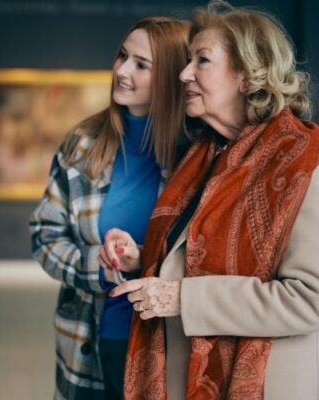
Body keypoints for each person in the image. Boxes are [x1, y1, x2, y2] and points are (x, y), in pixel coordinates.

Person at [104, 1, 319, 399]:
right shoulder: (205, 153)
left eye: (201, 60)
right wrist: (143, 258)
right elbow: (198, 255)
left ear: (248, 73)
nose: (184, 73)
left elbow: (309, 300)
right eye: (187, 60)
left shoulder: (308, 157)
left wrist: (183, 297)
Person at [29, 17, 190, 399]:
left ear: (168, 76)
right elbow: (44, 235)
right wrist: (97, 266)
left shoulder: (195, 154)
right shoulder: (82, 144)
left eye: (141, 64)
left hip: (164, 346)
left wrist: (143, 257)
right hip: (89, 342)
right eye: (122, 56)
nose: (121, 70)